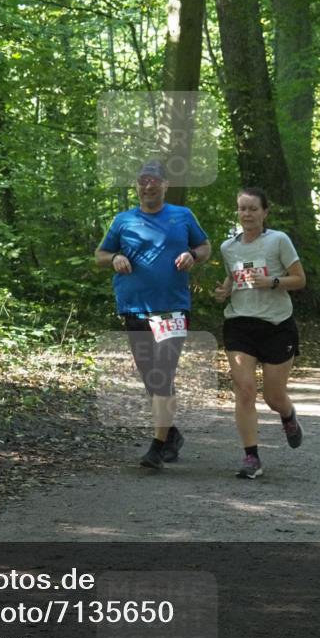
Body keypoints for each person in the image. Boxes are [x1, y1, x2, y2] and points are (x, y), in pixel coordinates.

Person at [95, 161, 211, 469]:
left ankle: (157, 447)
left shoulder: (182, 216)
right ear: (136, 186)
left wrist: (193, 255)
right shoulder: (123, 221)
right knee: (151, 379)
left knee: (163, 375)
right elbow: (100, 255)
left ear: (165, 185)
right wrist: (116, 257)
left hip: (173, 308)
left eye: (155, 181)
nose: (149, 186)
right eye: (143, 181)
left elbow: (205, 245)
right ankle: (171, 434)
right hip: (135, 308)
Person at [214, 187, 306, 479]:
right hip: (239, 323)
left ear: (265, 212)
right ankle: (251, 456)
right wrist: (225, 289)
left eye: (253, 209)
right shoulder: (228, 247)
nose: (247, 214)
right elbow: (233, 277)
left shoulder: (279, 241)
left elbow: (300, 280)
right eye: (242, 209)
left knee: (273, 397)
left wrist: (273, 282)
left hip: (277, 325)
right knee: (244, 390)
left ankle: (287, 415)